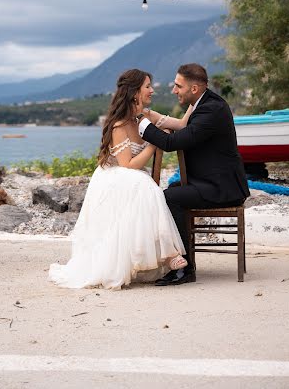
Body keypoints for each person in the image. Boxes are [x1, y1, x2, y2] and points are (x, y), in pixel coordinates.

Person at [48, 69, 190, 290]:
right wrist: (154, 142)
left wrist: (196, 101)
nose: (152, 90)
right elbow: (128, 165)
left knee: (144, 186)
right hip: (113, 177)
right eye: (148, 87)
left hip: (132, 177)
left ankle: (165, 254)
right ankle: (169, 254)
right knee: (145, 185)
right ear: (135, 92)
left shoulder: (148, 116)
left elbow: (181, 125)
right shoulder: (119, 125)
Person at [137, 63, 250, 286]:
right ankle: (177, 258)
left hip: (223, 188)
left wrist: (140, 122)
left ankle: (185, 268)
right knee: (174, 191)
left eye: (178, 86)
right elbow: (180, 126)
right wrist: (147, 114)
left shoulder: (211, 110)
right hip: (212, 181)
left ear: (194, 88)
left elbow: (170, 143)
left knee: (170, 198)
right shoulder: (204, 104)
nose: (174, 90)